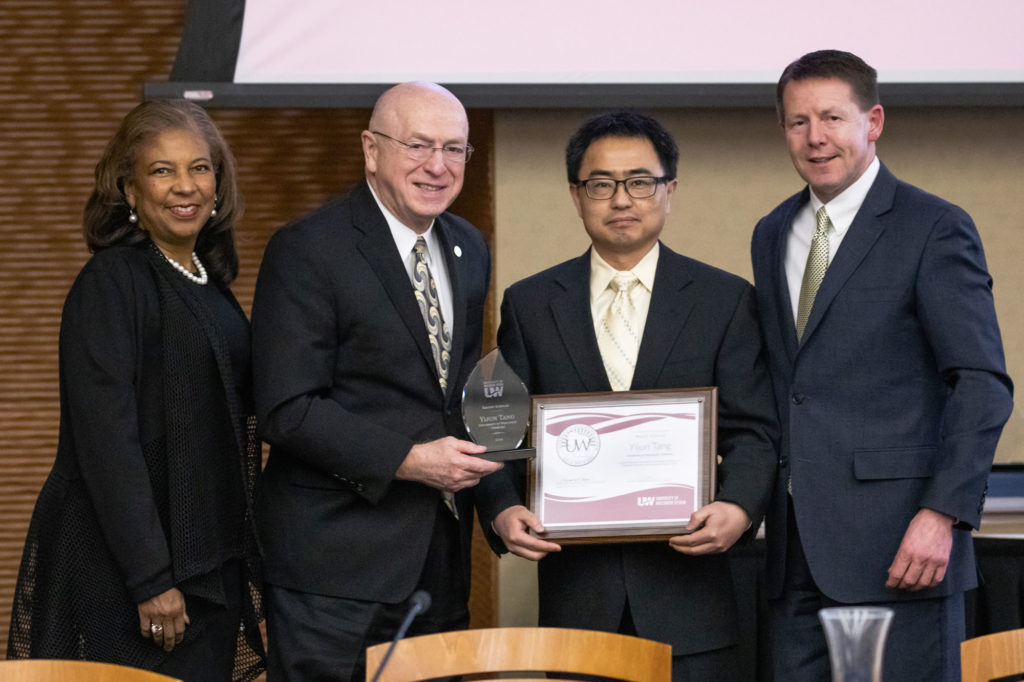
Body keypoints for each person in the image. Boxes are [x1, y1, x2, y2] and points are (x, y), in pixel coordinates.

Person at [475, 111, 778, 681]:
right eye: (601, 184)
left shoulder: (725, 300)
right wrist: (502, 507)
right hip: (578, 601)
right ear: (575, 194)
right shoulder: (531, 303)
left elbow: (753, 430)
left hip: (693, 601)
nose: (621, 199)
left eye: (640, 182)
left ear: (669, 191)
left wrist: (738, 509)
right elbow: (497, 429)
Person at [751, 49, 1014, 681]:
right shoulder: (771, 232)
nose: (815, 138)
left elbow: (981, 383)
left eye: (833, 118)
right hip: (794, 559)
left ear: (873, 122)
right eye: (797, 122)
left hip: (903, 550)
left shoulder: (934, 226)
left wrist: (942, 513)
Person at [6, 99, 265, 681]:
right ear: (128, 189)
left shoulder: (208, 283)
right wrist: (152, 580)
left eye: (200, 168)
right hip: (133, 577)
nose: (185, 186)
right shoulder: (110, 283)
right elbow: (107, 443)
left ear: (218, 182)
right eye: (162, 170)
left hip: (208, 564)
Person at [250, 82, 501, 681]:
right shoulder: (308, 250)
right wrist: (409, 460)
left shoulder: (468, 246)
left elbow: (456, 395)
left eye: (455, 149)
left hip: (437, 566)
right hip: (333, 571)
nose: (437, 166)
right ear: (370, 149)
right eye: (418, 145)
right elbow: (287, 408)